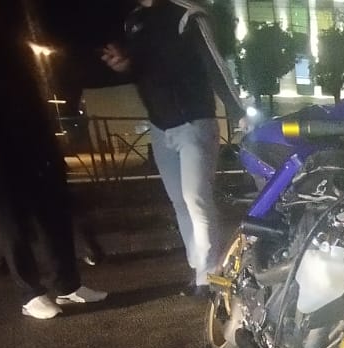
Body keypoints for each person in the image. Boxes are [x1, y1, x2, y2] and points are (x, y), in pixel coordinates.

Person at [0, 0, 107, 319]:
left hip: (33, 137)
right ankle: (31, 293)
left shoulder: (10, 19)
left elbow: (29, 82)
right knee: (11, 221)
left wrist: (48, 140)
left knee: (53, 211)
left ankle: (67, 285)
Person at [101, 0, 244, 297]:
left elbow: (215, 64)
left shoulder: (187, 13)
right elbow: (145, 71)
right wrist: (125, 66)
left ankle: (209, 276)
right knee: (180, 202)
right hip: (159, 125)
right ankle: (199, 270)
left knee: (196, 199)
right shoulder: (134, 20)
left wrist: (237, 111)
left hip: (195, 121)